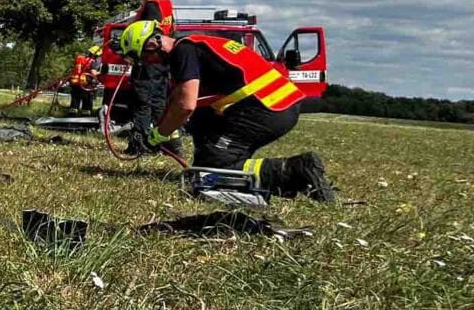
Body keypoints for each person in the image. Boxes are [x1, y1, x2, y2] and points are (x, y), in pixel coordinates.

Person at [118, 20, 335, 199]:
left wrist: (158, 136)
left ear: (153, 44)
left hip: (267, 107)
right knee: (205, 148)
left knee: (210, 173)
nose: (149, 63)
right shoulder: (196, 45)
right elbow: (186, 102)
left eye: (144, 57)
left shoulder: (183, 52)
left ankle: (296, 170)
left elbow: (185, 105)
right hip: (278, 103)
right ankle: (242, 172)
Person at [124, 0, 178, 155]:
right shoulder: (166, 4)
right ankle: (166, 145)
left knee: (142, 103)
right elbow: (171, 32)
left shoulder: (152, 5)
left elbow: (147, 34)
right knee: (159, 104)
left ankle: (139, 145)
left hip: (148, 62)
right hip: (162, 62)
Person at [68, 44, 100, 113]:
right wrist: (101, 72)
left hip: (75, 82)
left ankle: (71, 117)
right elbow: (93, 73)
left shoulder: (80, 58)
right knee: (87, 103)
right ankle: (85, 117)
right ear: (96, 55)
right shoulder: (94, 62)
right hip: (86, 84)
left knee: (75, 101)